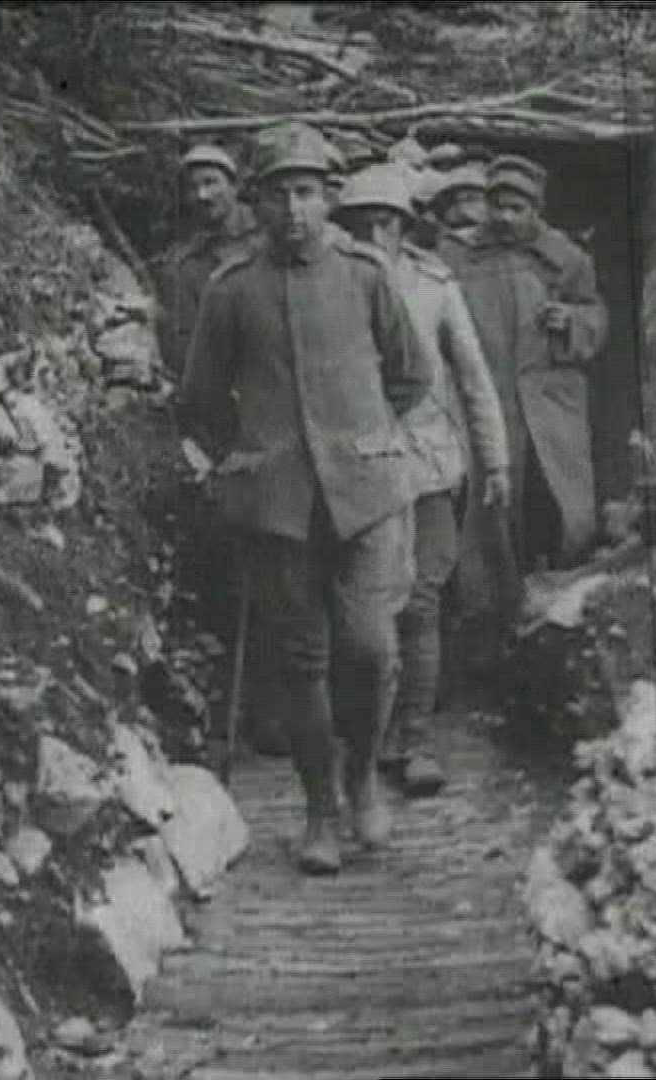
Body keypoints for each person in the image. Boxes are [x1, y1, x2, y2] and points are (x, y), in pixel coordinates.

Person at [178, 124, 431, 875]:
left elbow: (412, 375)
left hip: (367, 495)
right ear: (255, 203)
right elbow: (199, 400)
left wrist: (363, 434)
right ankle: (320, 809)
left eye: (306, 192)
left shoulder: (365, 274)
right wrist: (251, 454)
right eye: (278, 194)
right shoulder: (232, 288)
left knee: (372, 648)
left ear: (328, 197)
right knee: (301, 660)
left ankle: (362, 778)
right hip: (279, 504)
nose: (293, 209)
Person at [332, 164, 511, 798]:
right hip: (354, 470)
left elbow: (473, 378)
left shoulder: (435, 285)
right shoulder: (326, 283)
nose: (372, 235)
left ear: (405, 226)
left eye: (385, 222)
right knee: (364, 607)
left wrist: (495, 461)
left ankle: (412, 740)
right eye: (359, 223)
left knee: (422, 601)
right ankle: (363, 735)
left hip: (429, 464)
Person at [453, 154, 607, 594]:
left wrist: (572, 320)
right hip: (489, 395)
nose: (504, 217)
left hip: (550, 399)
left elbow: (595, 314)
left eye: (516, 208)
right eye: (497, 206)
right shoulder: (460, 254)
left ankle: (564, 581)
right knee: (493, 499)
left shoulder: (566, 258)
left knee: (556, 491)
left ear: (536, 210)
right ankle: (492, 600)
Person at [152, 144, 260, 379]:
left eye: (211, 183)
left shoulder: (271, 234)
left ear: (234, 186)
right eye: (192, 188)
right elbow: (181, 349)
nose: (202, 195)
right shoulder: (182, 264)